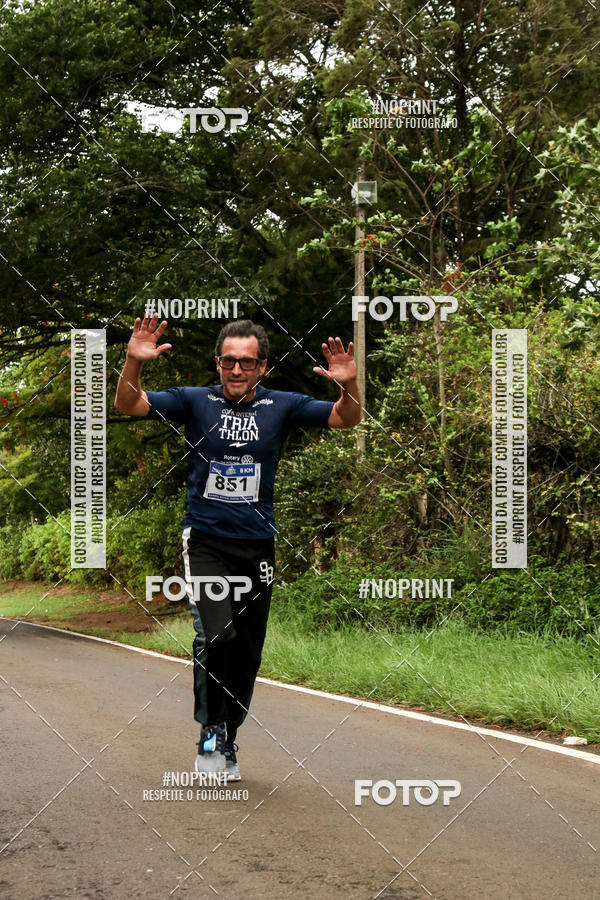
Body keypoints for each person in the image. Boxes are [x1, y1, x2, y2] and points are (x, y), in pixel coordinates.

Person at [114, 314, 361, 780]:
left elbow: (345, 418)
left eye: (246, 362)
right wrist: (133, 361)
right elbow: (128, 404)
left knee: (247, 649)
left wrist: (349, 385)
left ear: (262, 366)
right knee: (217, 634)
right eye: (229, 361)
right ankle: (209, 735)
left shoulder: (281, 405)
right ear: (218, 363)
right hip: (205, 539)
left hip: (257, 546)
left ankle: (228, 733)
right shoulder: (194, 401)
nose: (236, 370)